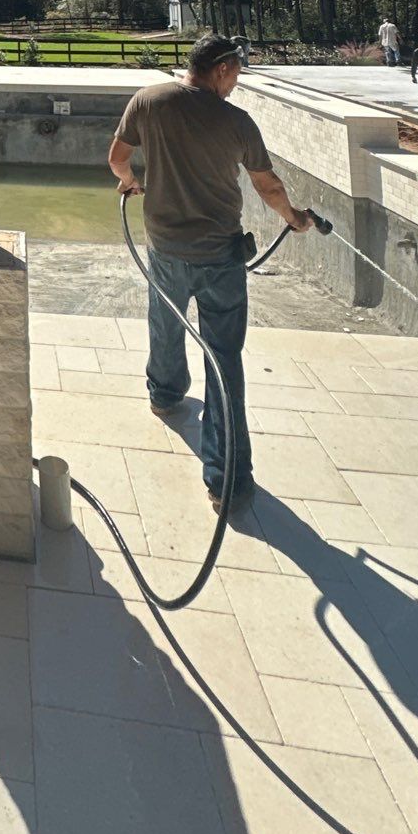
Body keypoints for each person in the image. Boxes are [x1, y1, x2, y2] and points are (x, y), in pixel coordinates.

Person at [108, 34, 312, 514]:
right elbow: (267, 185)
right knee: (223, 360)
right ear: (221, 69)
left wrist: (131, 183)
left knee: (165, 319)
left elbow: (117, 159)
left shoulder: (148, 101)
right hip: (220, 255)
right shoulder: (236, 122)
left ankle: (164, 394)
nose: (237, 81)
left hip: (165, 245)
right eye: (236, 72)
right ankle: (227, 480)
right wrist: (294, 218)